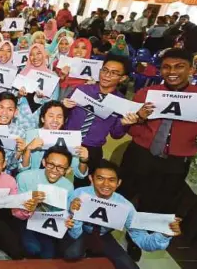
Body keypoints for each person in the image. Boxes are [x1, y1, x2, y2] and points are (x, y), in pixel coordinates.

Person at [118, 48, 197, 260]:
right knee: (122, 192)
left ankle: (135, 238)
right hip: (140, 153)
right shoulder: (146, 94)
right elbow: (128, 128)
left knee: (153, 203)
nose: (172, 71)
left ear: (191, 68)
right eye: (167, 67)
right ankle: (105, 227)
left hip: (174, 161)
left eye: (179, 66)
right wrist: (140, 117)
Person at [62, 160, 182, 269]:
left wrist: (164, 235)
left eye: (111, 180)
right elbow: (69, 229)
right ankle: (85, 251)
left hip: (103, 235)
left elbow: (142, 240)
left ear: (118, 183)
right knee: (71, 253)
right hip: (79, 231)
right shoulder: (78, 194)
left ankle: (93, 250)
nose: (105, 184)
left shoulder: (125, 206)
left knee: (130, 267)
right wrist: (74, 214)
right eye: (100, 178)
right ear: (91, 179)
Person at [62, 54, 139, 188]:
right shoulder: (82, 90)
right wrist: (64, 106)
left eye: (114, 73)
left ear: (123, 78)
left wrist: (123, 124)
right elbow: (62, 115)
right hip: (66, 141)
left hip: (93, 149)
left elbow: (116, 134)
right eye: (105, 70)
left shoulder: (121, 103)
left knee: (83, 186)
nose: (107, 75)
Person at [17, 146, 76, 259]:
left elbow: (65, 213)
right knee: (33, 248)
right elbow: (15, 210)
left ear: (67, 169)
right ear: (44, 162)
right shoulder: (24, 177)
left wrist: (70, 216)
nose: (54, 170)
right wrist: (29, 202)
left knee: (48, 255)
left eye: (60, 167)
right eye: (51, 164)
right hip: (25, 220)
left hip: (48, 223)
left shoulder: (68, 186)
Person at [19, 101, 89, 179]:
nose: (55, 120)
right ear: (42, 119)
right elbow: (22, 169)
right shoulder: (30, 135)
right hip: (31, 179)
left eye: (59, 117)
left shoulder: (70, 138)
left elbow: (80, 174)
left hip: (56, 182)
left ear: (64, 121)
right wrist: (28, 149)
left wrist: (83, 161)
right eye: (51, 116)